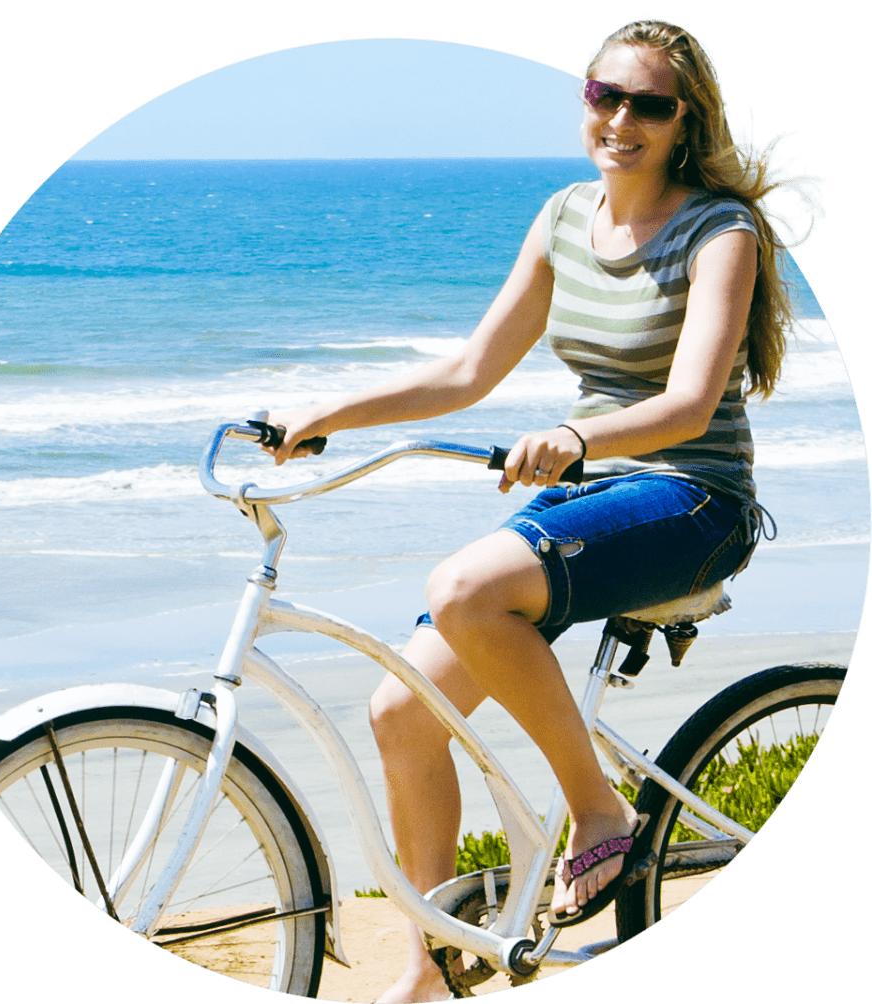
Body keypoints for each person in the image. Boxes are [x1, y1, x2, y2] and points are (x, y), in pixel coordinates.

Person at [266, 18, 823, 1004]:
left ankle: (596, 807)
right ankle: (433, 969)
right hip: (594, 495)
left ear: (683, 118)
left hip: (692, 497)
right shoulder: (565, 215)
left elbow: (692, 403)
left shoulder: (721, 231)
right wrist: (327, 412)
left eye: (649, 104)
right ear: (585, 100)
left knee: (466, 586)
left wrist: (574, 439)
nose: (621, 119)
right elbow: (472, 367)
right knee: (401, 711)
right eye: (604, 96)